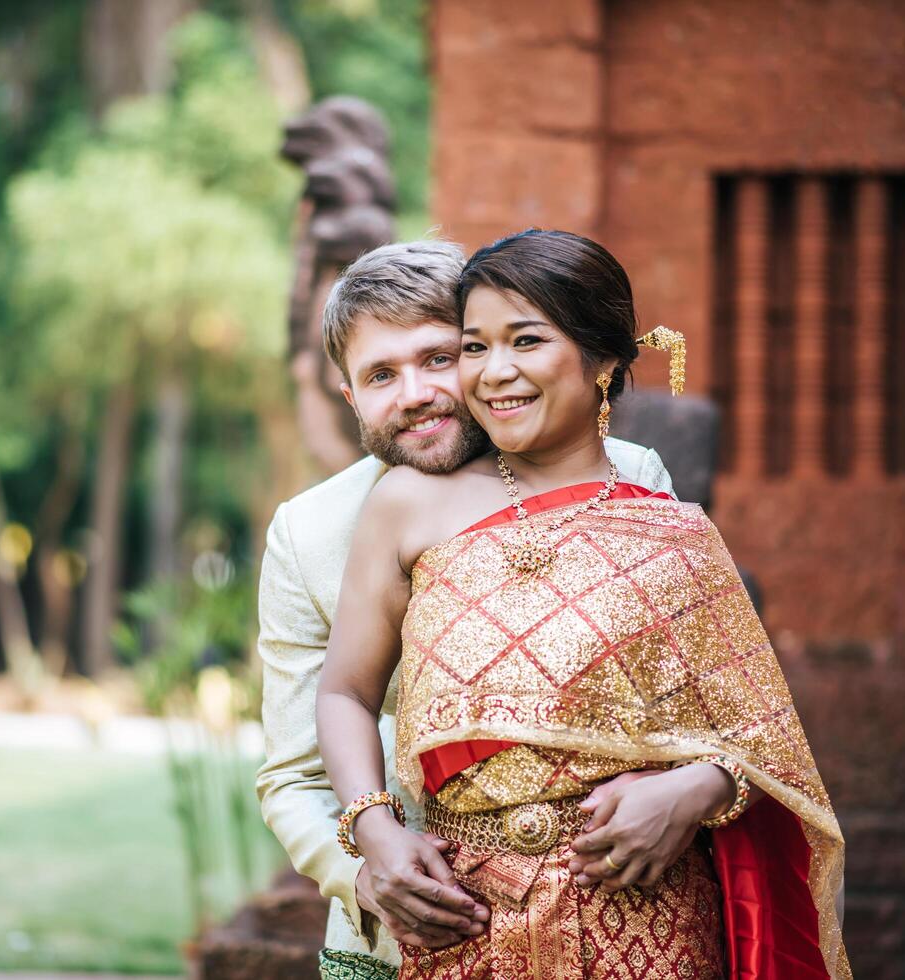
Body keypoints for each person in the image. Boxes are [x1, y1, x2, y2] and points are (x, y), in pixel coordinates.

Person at [316, 230, 851, 979]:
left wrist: (692, 791)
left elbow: (766, 746)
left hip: (647, 920)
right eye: (472, 347)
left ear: (603, 361)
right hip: (464, 918)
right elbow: (344, 689)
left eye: (525, 341)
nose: (494, 372)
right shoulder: (407, 505)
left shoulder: (672, 533)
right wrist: (373, 830)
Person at [255, 238, 678, 979]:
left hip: (612, 916)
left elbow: (704, 692)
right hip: (405, 936)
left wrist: (677, 786)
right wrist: (366, 869)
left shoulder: (627, 477)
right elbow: (292, 772)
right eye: (381, 375)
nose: (414, 392)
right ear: (350, 396)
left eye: (439, 357)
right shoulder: (311, 531)